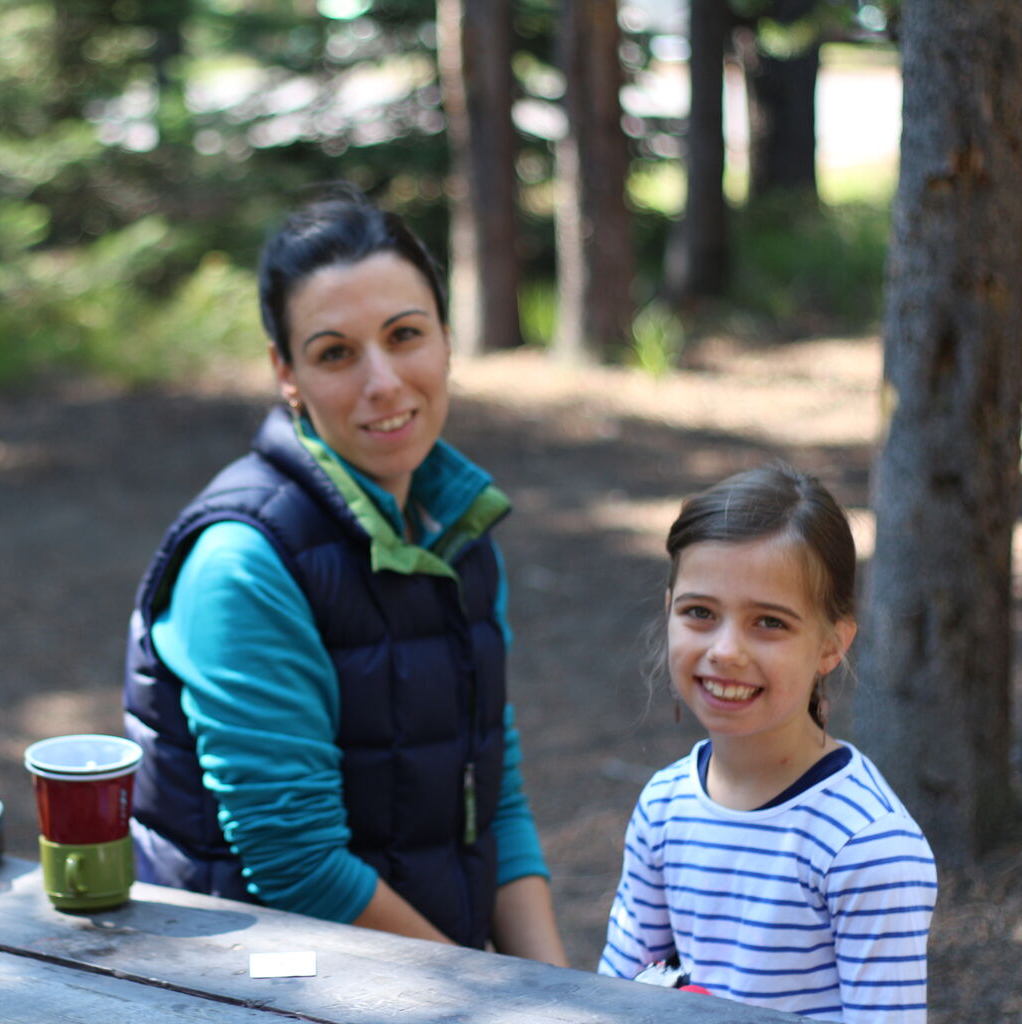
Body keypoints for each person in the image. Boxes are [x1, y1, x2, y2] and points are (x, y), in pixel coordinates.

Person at [122, 188, 566, 962]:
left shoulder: (453, 523)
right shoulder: (243, 563)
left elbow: (493, 793)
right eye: (336, 353)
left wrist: (558, 994)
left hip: (426, 986)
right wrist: (500, 1002)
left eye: (406, 335)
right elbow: (297, 866)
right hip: (251, 991)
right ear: (284, 372)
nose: (385, 382)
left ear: (447, 340)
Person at [599, 467, 938, 1021]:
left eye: (769, 623)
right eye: (700, 613)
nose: (726, 650)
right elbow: (618, 998)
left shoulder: (866, 846)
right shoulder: (663, 807)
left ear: (832, 644)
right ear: (669, 613)